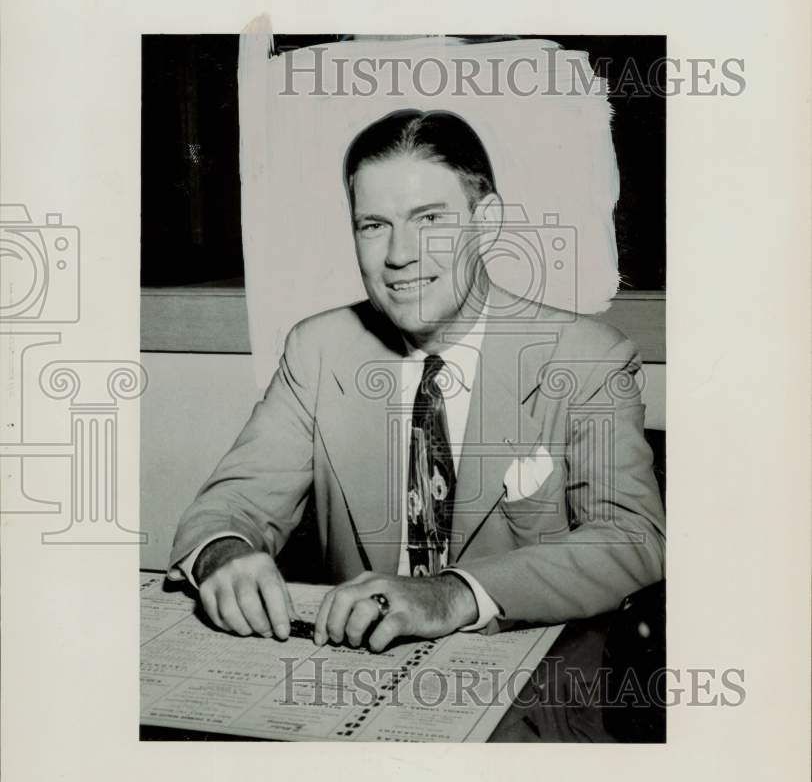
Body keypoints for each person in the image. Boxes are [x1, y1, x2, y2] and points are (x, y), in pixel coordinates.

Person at [168, 109, 665, 658]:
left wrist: (449, 594)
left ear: (489, 222)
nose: (401, 255)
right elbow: (229, 506)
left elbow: (634, 539)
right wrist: (225, 553)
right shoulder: (318, 350)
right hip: (352, 677)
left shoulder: (588, 359)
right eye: (374, 225)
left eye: (430, 220)